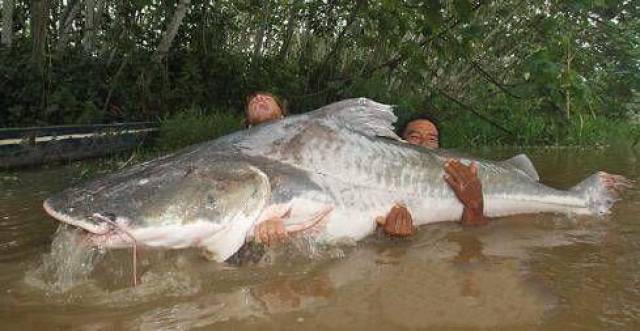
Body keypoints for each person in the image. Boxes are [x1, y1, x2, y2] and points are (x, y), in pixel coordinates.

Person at [377, 114, 486, 239]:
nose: (424, 144)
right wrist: (393, 240)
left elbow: (476, 238)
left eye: (432, 139)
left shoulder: (454, 176)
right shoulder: (383, 175)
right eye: (415, 137)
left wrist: (475, 204)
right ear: (398, 143)